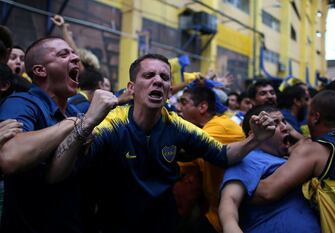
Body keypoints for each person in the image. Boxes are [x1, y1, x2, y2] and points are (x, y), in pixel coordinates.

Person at [48, 53, 276, 233]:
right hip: (115, 224)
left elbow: (224, 154)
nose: (157, 80)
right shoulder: (112, 124)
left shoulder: (177, 125)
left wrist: (254, 139)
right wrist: (86, 123)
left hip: (163, 223)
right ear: (131, 88)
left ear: (169, 91)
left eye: (164, 78)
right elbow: (57, 172)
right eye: (148, 76)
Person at [0, 36, 118, 233]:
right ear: (40, 70)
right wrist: (76, 123)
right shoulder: (22, 103)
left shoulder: (73, 111)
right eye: (64, 54)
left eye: (74, 54)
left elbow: (55, 175)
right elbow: (10, 158)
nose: (75, 59)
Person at [251, 90, 335, 232]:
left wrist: (232, 187)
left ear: (315, 117)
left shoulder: (315, 149)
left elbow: (266, 192)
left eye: (309, 113)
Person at [219, 104, 320, 233]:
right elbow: (230, 200)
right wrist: (231, 228)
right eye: (275, 123)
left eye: (284, 121)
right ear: (254, 133)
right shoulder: (249, 159)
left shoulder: (289, 158)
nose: (285, 127)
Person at [176, 85, 246, 233]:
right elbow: (180, 164)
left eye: (183, 102)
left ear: (202, 107)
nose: (178, 107)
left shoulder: (220, 127)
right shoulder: (205, 129)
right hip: (215, 211)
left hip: (231, 216)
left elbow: (182, 152)